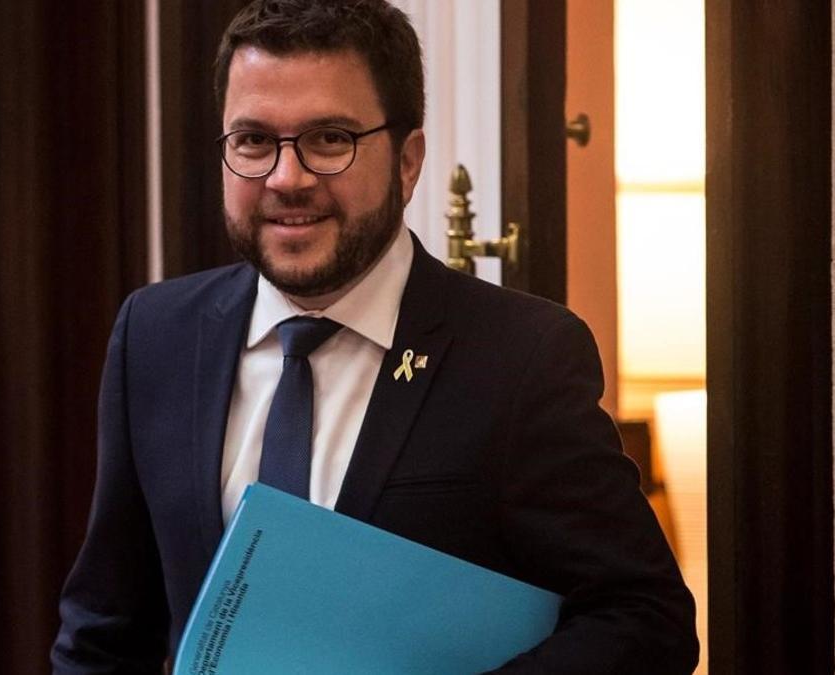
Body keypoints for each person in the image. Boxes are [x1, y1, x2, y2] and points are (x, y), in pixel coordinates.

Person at [52, 1, 698, 672]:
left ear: (408, 160)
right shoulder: (156, 336)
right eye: (252, 141)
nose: (286, 178)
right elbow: (105, 628)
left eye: (330, 138)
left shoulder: (522, 356)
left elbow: (647, 620)